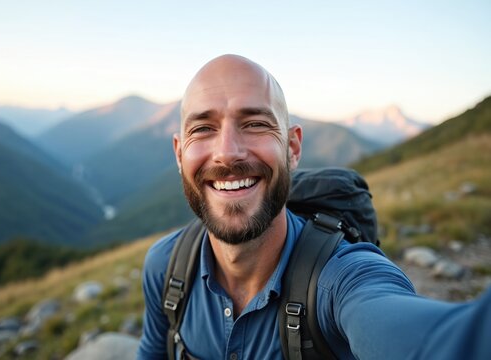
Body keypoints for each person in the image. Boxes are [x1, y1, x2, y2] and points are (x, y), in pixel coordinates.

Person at [137, 54, 491, 359]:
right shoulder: (166, 268)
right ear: (180, 154)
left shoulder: (341, 281)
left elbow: (438, 342)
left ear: (292, 148)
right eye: (203, 128)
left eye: (256, 123)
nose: (228, 151)